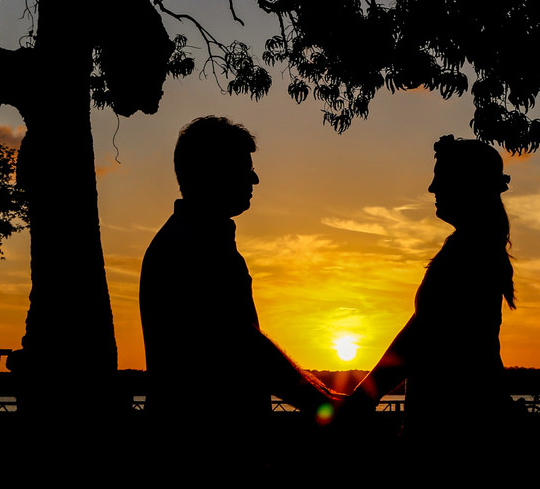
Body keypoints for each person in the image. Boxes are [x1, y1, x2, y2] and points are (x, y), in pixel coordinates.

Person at [139, 116, 336, 457]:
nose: (255, 178)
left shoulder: (193, 241)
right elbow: (242, 343)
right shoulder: (194, 246)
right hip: (206, 448)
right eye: (245, 168)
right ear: (214, 171)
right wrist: (323, 403)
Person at [342, 135, 518, 449]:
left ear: (466, 184)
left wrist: (364, 397)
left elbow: (421, 334)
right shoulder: (477, 246)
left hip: (454, 423)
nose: (432, 188)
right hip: (472, 414)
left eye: (441, 178)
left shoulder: (466, 252)